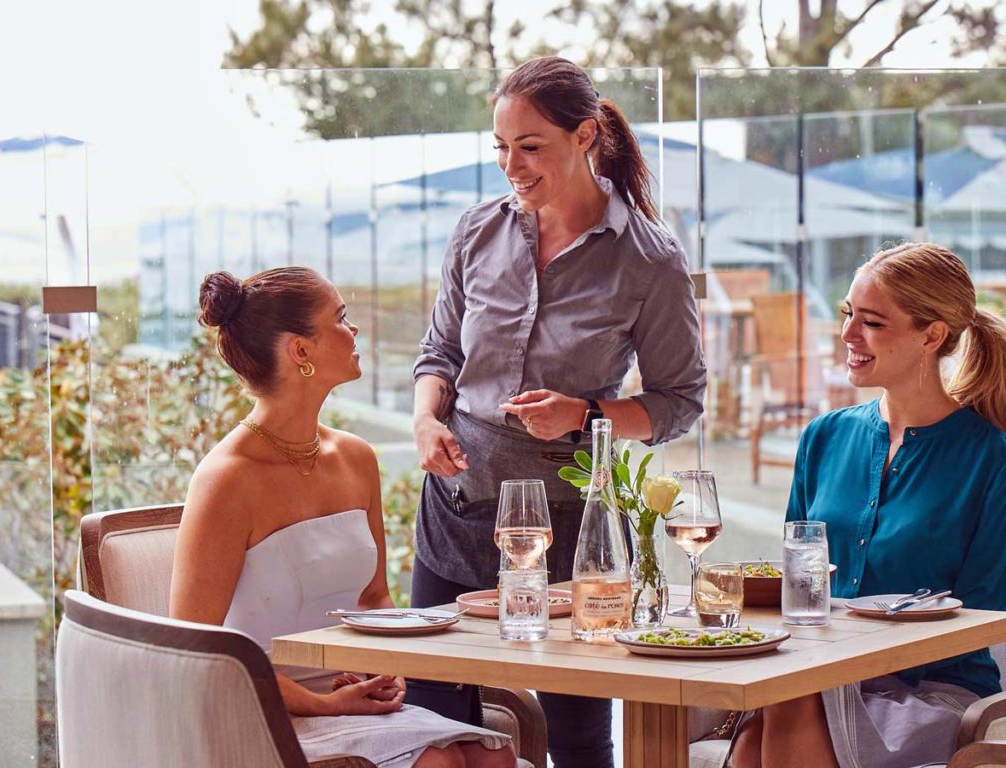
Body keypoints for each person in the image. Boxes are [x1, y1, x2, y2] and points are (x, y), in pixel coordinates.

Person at [411, 56, 707, 767]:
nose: (512, 165)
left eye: (531, 146)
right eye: (502, 148)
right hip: (456, 508)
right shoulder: (477, 232)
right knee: (430, 720)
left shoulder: (648, 260)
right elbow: (439, 354)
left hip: (574, 525)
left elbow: (679, 402)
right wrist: (425, 419)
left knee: (577, 733)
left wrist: (585, 412)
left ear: (584, 135)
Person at [170, 267, 521, 768]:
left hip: (346, 698)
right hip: (263, 708)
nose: (353, 330)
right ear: (300, 351)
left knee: (493, 758)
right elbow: (196, 648)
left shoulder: (356, 457)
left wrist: (385, 668)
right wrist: (325, 704)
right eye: (340, 318)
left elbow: (373, 597)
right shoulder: (227, 479)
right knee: (438, 764)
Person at [731, 243, 1006, 768]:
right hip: (818, 671)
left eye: (872, 322)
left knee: (784, 697)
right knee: (762, 716)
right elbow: (797, 581)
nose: (847, 336)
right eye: (847, 315)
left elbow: (986, 617)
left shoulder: (991, 457)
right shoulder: (823, 438)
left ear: (932, 335)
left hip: (929, 688)